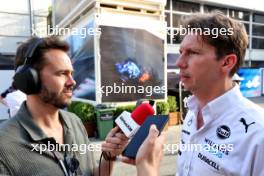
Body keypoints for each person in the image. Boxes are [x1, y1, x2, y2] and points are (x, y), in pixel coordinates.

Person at [0, 36, 165, 176]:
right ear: (30, 79)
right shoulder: (4, 146)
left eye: (71, 73)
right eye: (62, 73)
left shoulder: (75, 122)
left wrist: (108, 157)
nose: (72, 82)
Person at [176, 12, 264, 176]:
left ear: (226, 62)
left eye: (193, 52)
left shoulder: (258, 134)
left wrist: (148, 168)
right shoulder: (192, 113)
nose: (179, 62)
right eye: (181, 52)